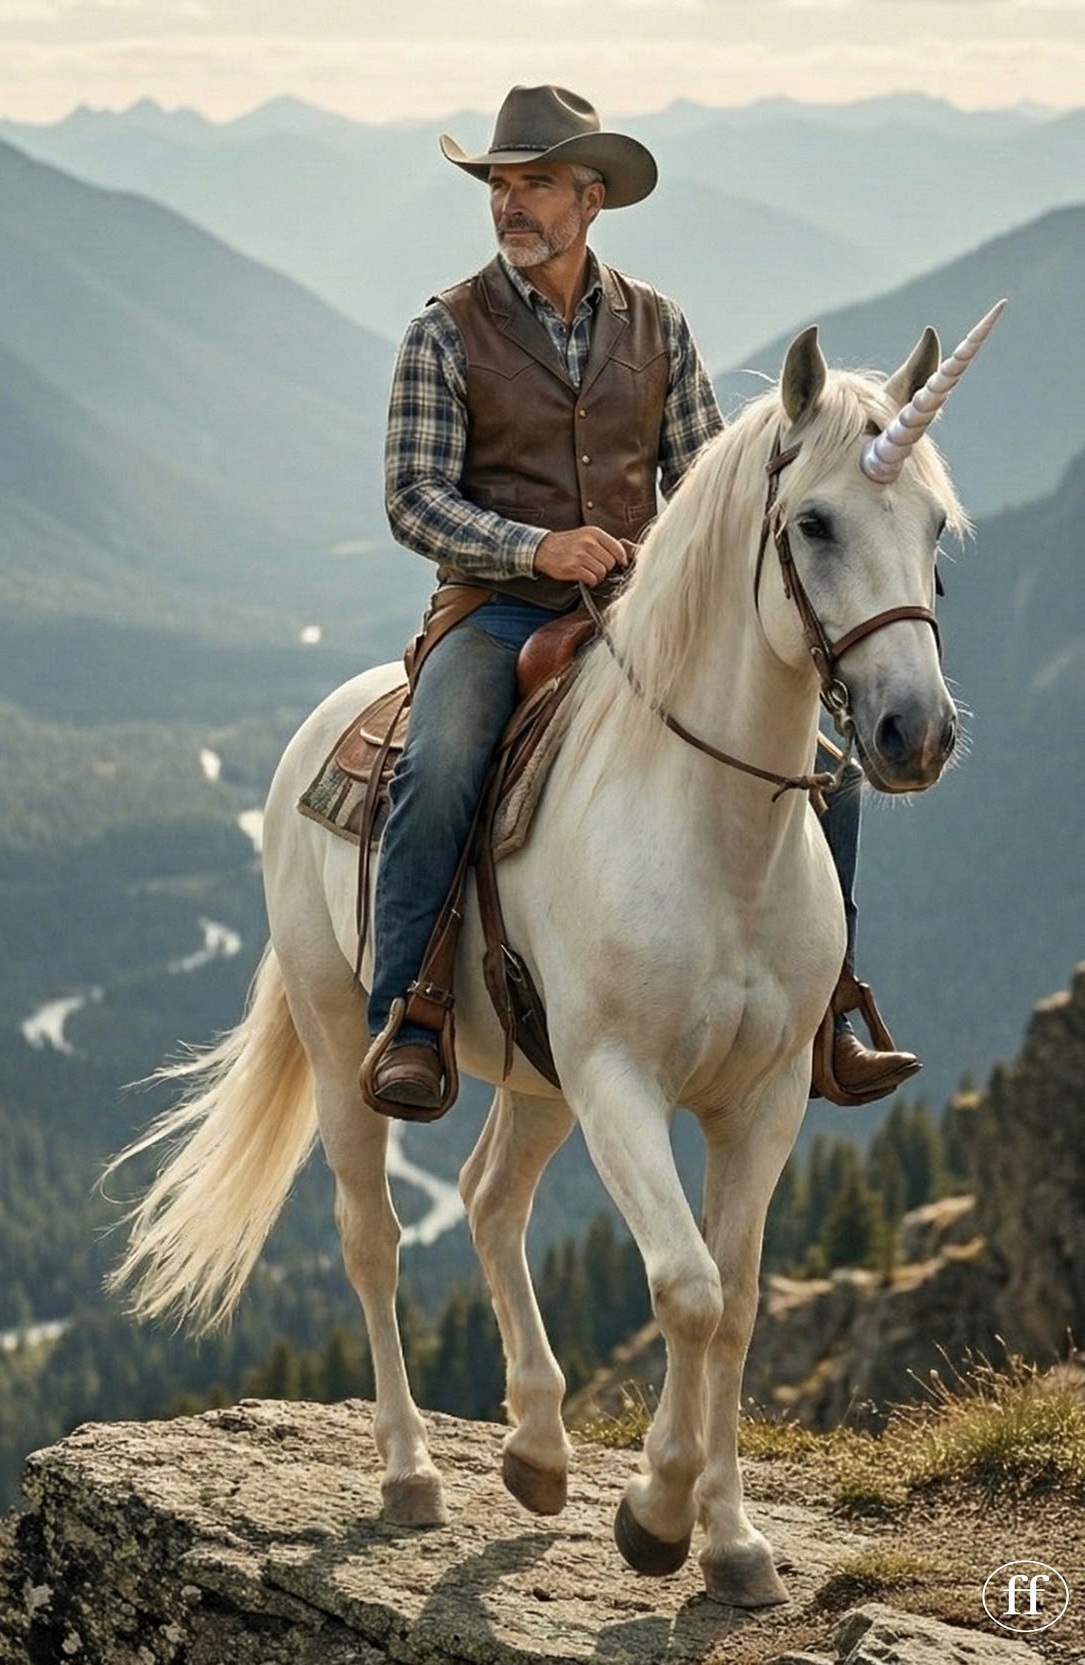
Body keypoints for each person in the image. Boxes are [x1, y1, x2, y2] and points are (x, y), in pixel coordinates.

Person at [361, 83, 920, 1115]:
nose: (508, 205)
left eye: (534, 185)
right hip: (494, 613)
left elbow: (707, 484)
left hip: (638, 611)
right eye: (499, 185)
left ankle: (825, 1011)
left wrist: (658, 574)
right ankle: (411, 1012)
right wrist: (534, 549)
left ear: (591, 200)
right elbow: (411, 501)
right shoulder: (443, 331)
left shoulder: (657, 325)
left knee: (826, 774)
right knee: (441, 763)